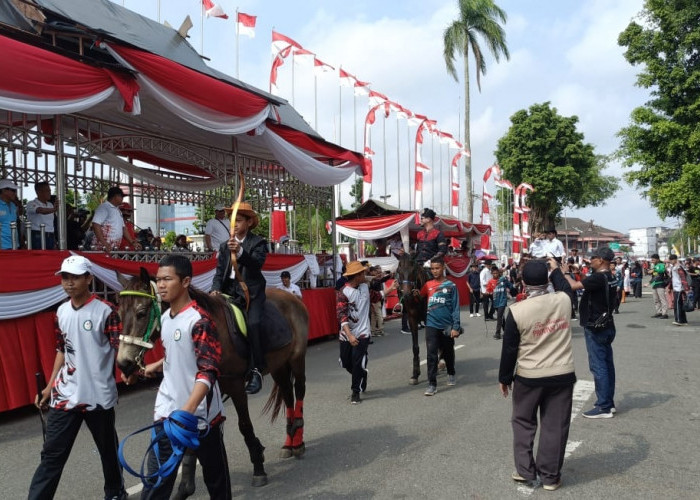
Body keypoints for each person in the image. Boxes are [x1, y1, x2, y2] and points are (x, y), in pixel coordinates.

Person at [124, 255, 231, 499]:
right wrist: (153, 367)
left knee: (217, 484)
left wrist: (188, 410)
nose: (161, 285)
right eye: (159, 280)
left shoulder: (200, 321)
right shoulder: (164, 318)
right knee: (157, 484)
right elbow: (180, 353)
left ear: (185, 282)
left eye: (167, 279)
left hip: (202, 419)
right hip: (167, 413)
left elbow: (208, 369)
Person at [28, 256, 126, 500]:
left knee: (108, 452)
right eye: (65, 277)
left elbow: (119, 350)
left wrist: (130, 371)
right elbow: (62, 349)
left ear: (89, 279)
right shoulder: (60, 312)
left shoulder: (107, 311)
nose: (69, 282)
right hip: (65, 395)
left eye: (75, 277)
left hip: (98, 396)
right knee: (51, 455)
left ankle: (115, 493)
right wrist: (50, 387)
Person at [498, 260, 576, 491]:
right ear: (547, 279)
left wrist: (504, 379)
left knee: (523, 422)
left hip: (528, 376)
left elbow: (510, 349)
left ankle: (525, 470)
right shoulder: (564, 300)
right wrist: (554, 269)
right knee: (555, 425)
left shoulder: (516, 311)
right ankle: (551, 477)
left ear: (522, 282)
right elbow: (565, 286)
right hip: (562, 374)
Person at [211, 202, 267, 395]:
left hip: (252, 292)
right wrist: (215, 289)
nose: (233, 224)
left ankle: (257, 370)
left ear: (249, 222)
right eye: (231, 220)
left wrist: (241, 252)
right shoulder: (223, 246)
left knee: (254, 323)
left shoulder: (258, 242)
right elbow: (219, 274)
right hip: (229, 292)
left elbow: (256, 265)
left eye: (239, 220)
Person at [559, 247, 617, 418]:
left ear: (601, 260)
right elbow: (589, 283)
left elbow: (575, 286)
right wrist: (579, 273)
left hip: (595, 326)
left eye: (593, 258)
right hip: (607, 325)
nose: (590, 261)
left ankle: (604, 406)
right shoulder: (609, 276)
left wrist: (565, 274)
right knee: (607, 365)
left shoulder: (599, 277)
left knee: (598, 366)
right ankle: (608, 403)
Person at [420, 257, 461, 396]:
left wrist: (456, 327)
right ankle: (432, 384)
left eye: (437, 268)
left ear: (443, 268)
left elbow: (455, 308)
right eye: (432, 268)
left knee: (448, 351)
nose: (434, 271)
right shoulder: (427, 285)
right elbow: (419, 298)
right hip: (431, 324)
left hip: (447, 326)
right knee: (431, 354)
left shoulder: (451, 286)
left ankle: (451, 372)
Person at [336, 261, 371, 404]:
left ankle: (355, 392)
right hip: (347, 333)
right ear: (356, 276)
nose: (365, 275)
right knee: (345, 363)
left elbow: (375, 296)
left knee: (356, 362)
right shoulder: (343, 292)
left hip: (363, 332)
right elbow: (341, 315)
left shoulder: (365, 287)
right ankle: (362, 374)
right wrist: (349, 335)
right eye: (363, 273)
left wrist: (390, 288)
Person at [92, 187, 141, 252]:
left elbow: (123, 229)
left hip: (113, 249)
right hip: (101, 248)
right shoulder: (104, 207)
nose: (122, 199)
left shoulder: (118, 211)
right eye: (121, 196)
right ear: (115, 196)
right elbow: (96, 225)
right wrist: (104, 243)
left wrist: (133, 242)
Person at [486, 266, 517, 340]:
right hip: (495, 302)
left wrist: (514, 286)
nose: (495, 274)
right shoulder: (490, 282)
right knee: (501, 318)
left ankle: (497, 333)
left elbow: (511, 286)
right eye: (494, 273)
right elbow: (488, 290)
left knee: (499, 317)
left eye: (496, 273)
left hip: (502, 301)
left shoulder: (503, 280)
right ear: (492, 274)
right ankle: (507, 332)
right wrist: (486, 293)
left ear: (499, 273)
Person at [26, 181, 58, 249]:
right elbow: (40, 210)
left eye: (49, 190)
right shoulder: (31, 203)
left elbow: (50, 224)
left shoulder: (50, 204)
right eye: (47, 190)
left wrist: (54, 239)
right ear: (39, 192)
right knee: (39, 257)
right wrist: (54, 209)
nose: (49, 193)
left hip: (50, 235)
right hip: (38, 235)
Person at [368, 266, 391, 336]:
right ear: (371, 272)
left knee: (374, 315)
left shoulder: (371, 279)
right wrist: (388, 276)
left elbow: (381, 280)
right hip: (375, 299)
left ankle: (373, 330)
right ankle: (380, 329)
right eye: (375, 271)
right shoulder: (372, 279)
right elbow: (380, 281)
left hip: (373, 298)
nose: (376, 272)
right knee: (378, 314)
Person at [667, 254, 690, 326]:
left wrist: (686, 288)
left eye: (671, 260)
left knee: (677, 305)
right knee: (679, 304)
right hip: (676, 288)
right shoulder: (674, 267)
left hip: (679, 288)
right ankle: (683, 320)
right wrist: (670, 287)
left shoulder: (678, 267)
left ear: (674, 259)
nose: (670, 262)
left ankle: (679, 320)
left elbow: (683, 278)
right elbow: (672, 279)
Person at [0, 178, 22, 249]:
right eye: (13, 190)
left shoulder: (13, 206)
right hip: (2, 247)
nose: (15, 193)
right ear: (4, 190)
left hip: (15, 245)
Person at [646, 253, 668, 319]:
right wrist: (650, 283)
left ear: (658, 259)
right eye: (651, 260)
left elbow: (662, 270)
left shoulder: (661, 264)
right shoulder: (654, 266)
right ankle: (659, 312)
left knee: (662, 299)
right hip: (655, 284)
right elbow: (654, 276)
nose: (652, 261)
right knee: (656, 299)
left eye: (653, 260)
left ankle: (665, 313)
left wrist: (654, 270)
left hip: (660, 284)